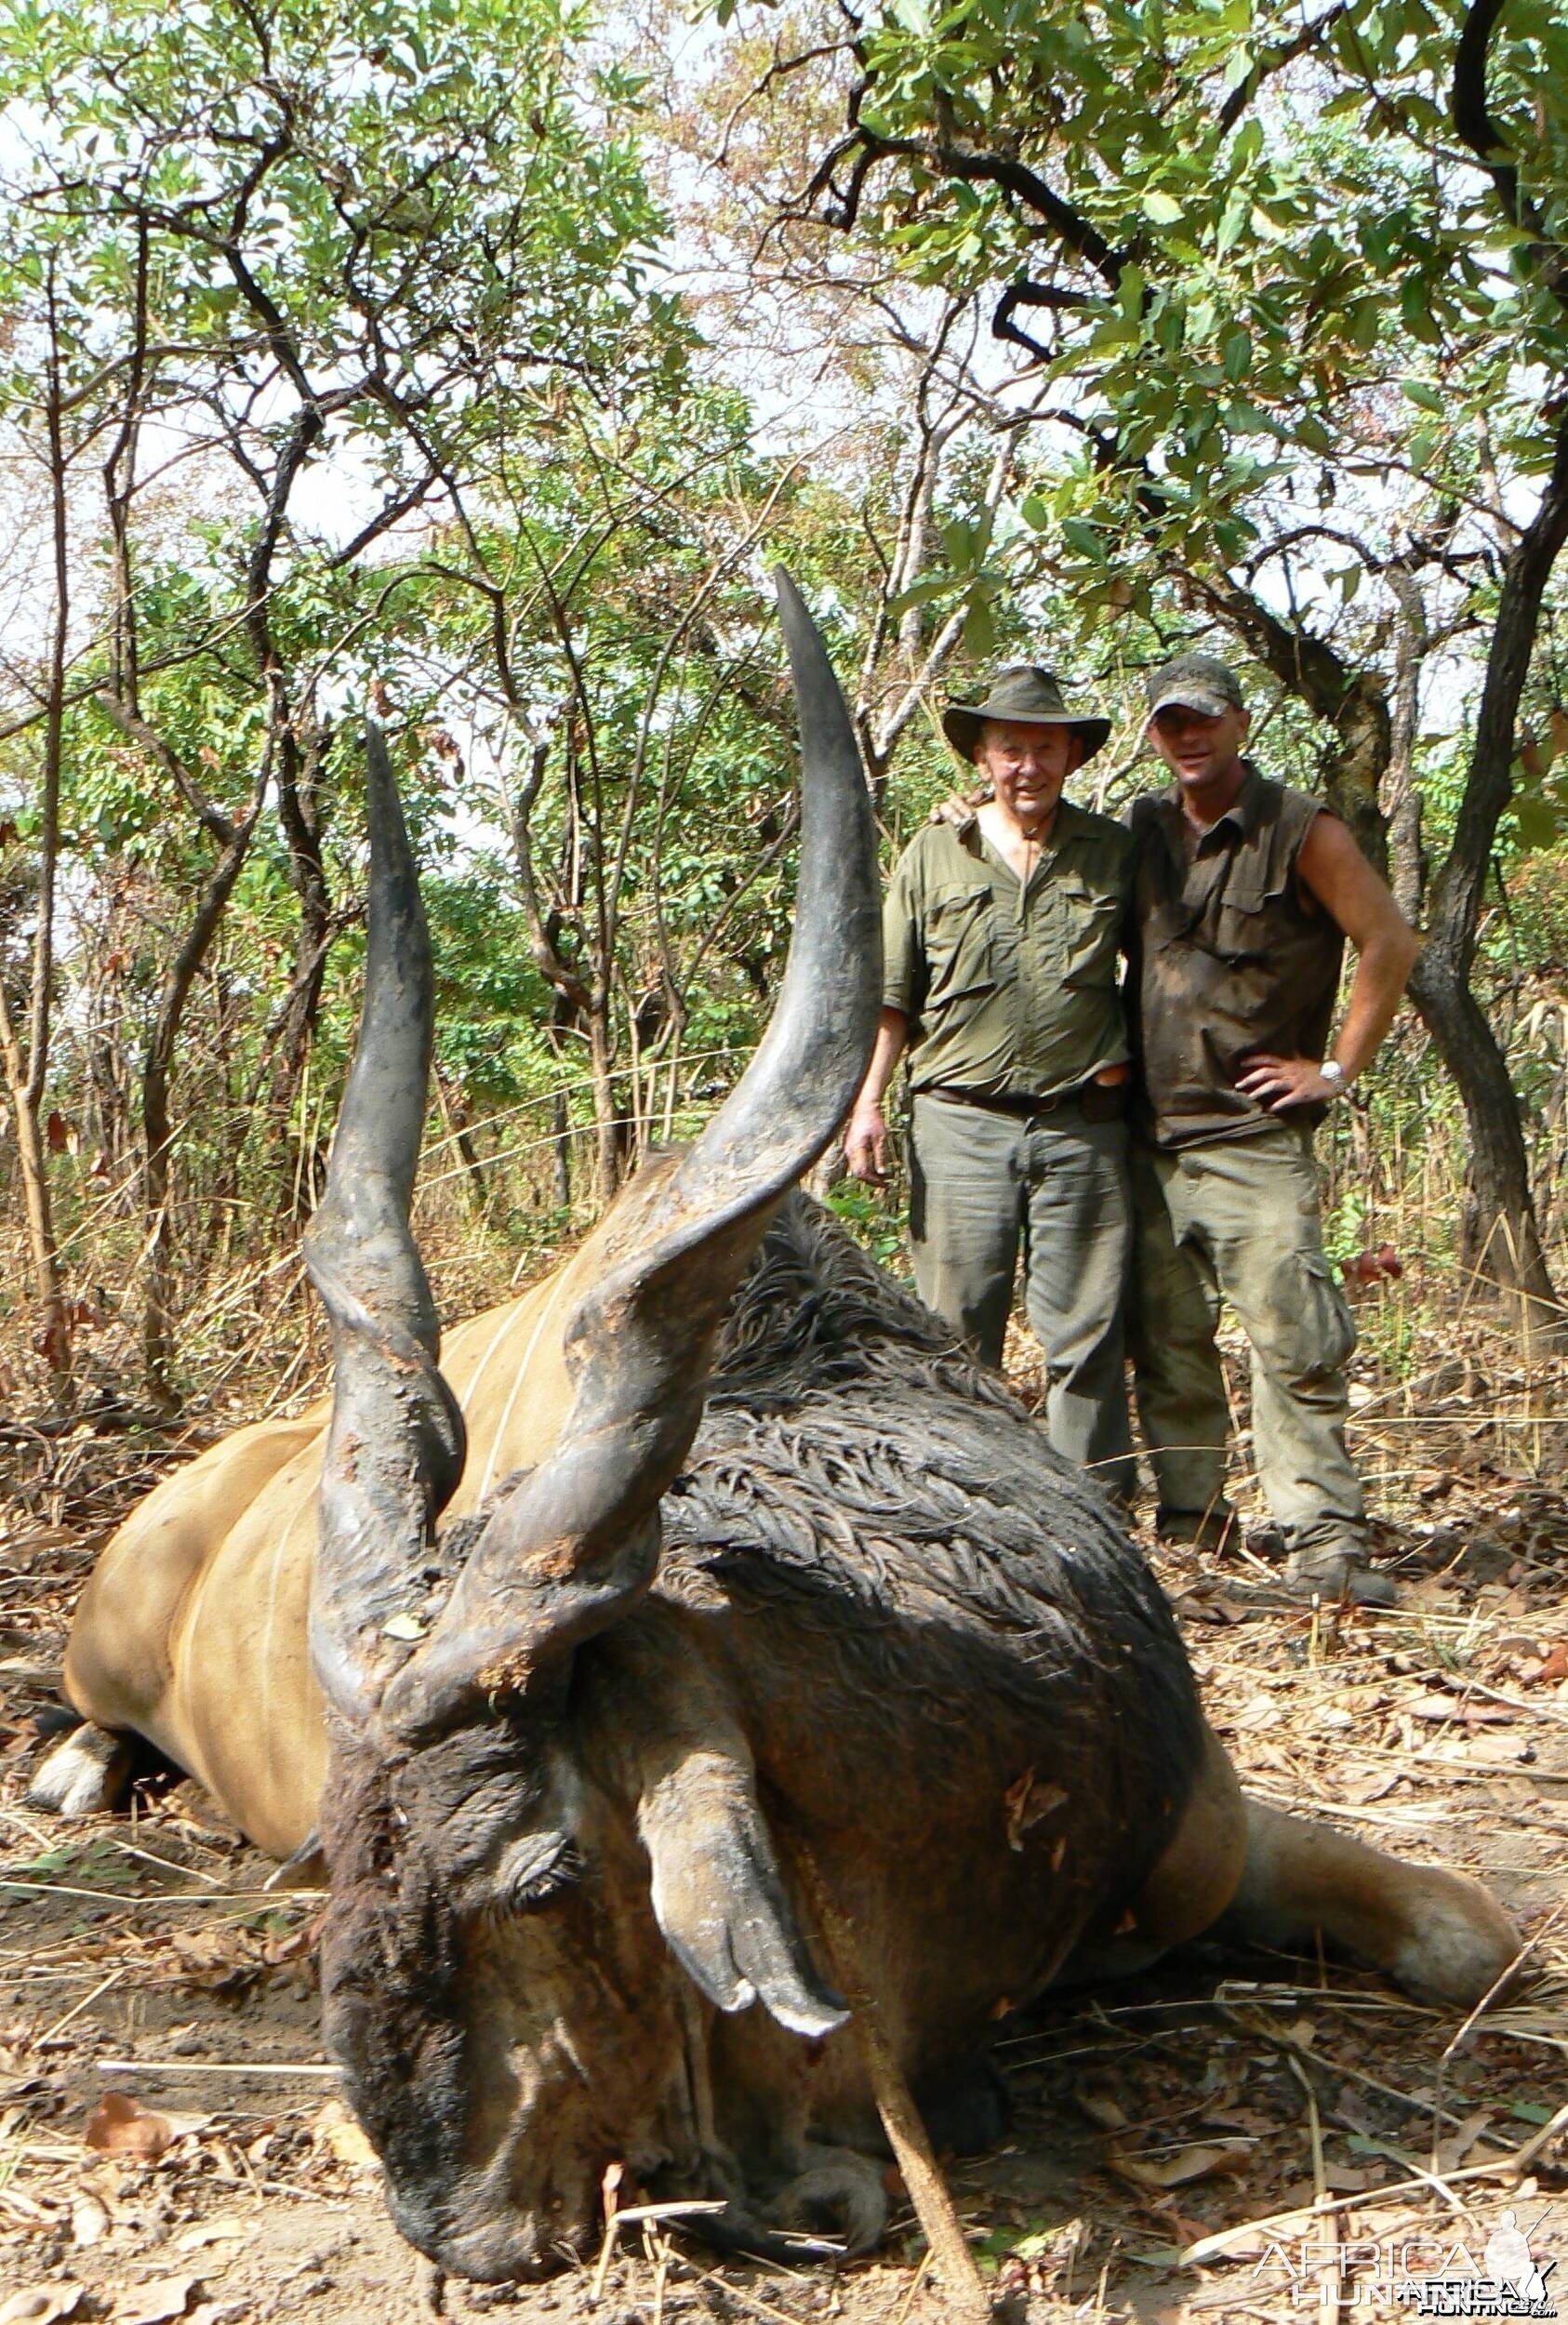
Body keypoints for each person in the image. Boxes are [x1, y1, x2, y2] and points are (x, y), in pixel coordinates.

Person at [1124, 650, 1421, 1607]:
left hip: (1252, 1138)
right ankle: (1193, 1532)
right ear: (1155, 733)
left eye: (1204, 718)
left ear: (1240, 723)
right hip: (1149, 1138)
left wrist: (1333, 1069)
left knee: (1292, 1340)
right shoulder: (1139, 829)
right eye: (1172, 722)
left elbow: (1390, 939)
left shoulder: (1302, 829)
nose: (1189, 735)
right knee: (1169, 1342)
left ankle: (1325, 1543)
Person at [844, 665, 1137, 1502]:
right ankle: (960, 1502)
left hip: (1083, 1125)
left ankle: (1097, 1509)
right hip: (959, 1124)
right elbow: (892, 996)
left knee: (1086, 1332)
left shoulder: (1115, 852)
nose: (1028, 767)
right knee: (954, 1330)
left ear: (1073, 756)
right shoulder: (933, 852)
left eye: (1045, 748)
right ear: (983, 756)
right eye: (1011, 749)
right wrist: (866, 1107)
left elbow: (1164, 975)